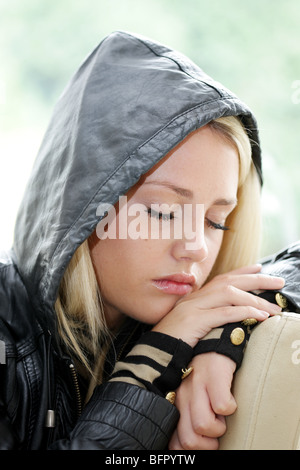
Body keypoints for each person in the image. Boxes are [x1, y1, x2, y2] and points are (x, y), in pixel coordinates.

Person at [0, 30, 291, 450]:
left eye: (215, 221)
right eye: (162, 212)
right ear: (85, 205)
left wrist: (228, 332)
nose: (196, 247)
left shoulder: (186, 316)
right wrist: (147, 371)